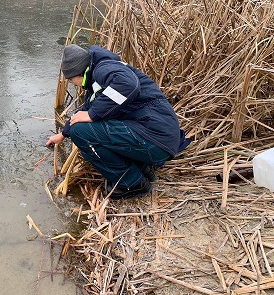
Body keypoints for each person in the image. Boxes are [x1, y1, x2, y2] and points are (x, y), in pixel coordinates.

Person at [46, 44, 190, 199]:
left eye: (71, 79)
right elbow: (86, 109)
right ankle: (143, 168)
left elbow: (128, 85)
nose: (72, 83)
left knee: (80, 132)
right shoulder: (98, 78)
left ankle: (132, 183)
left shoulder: (102, 70)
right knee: (80, 127)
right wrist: (63, 134)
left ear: (78, 72)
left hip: (157, 140)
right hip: (160, 138)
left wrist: (93, 115)